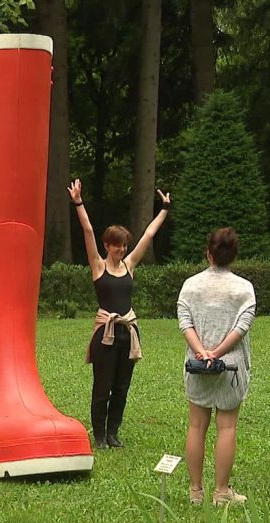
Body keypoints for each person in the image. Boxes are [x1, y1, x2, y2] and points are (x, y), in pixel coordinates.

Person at [68, 178, 169, 449]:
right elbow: (88, 230)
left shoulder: (130, 265)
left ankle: (113, 433)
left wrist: (164, 209)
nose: (121, 249)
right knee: (103, 388)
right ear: (107, 245)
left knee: (122, 387)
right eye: (116, 245)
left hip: (128, 331)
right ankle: (99, 436)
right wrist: (78, 201)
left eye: (124, 245)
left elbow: (148, 235)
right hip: (105, 333)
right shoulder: (98, 266)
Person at [177, 227, 255, 505]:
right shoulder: (244, 288)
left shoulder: (191, 285)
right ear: (234, 255)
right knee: (227, 427)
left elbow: (185, 322)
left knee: (196, 426)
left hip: (196, 365)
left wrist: (202, 352)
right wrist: (218, 353)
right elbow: (241, 328)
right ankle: (222, 492)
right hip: (230, 367)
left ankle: (195, 491)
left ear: (208, 253)